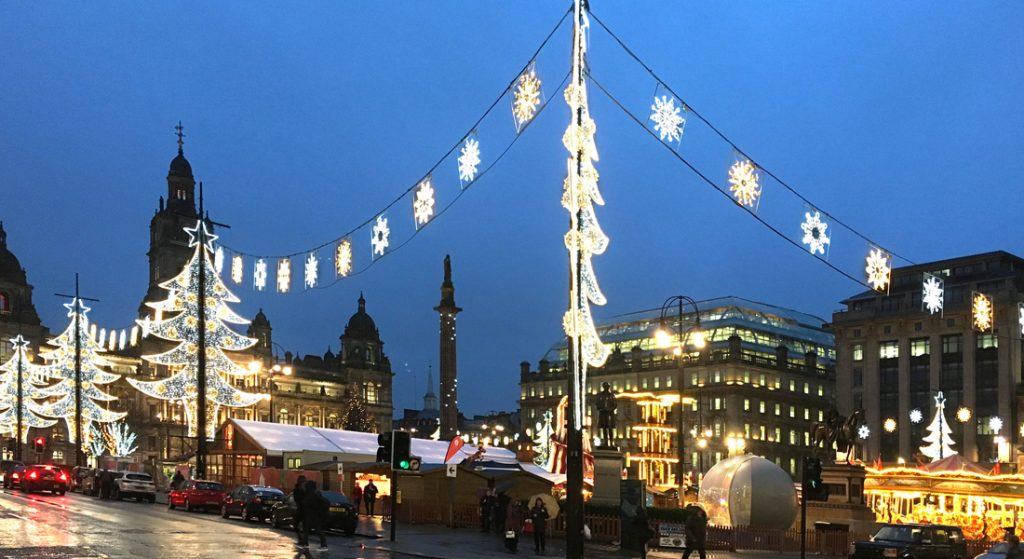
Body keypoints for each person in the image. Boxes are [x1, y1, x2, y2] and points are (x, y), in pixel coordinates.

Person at [302, 479, 329, 552]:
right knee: (316, 529)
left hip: (312, 514)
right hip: (316, 514)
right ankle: (306, 544)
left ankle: (323, 545)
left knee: (309, 529)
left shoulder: (310, 493)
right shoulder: (317, 492)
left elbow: (306, 503)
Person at [293, 475, 308, 548]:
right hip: (300, 509)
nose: (303, 483)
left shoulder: (307, 490)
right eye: (302, 482)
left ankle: (304, 542)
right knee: (295, 524)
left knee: (305, 527)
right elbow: (297, 499)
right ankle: (301, 540)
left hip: (305, 510)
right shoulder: (296, 490)